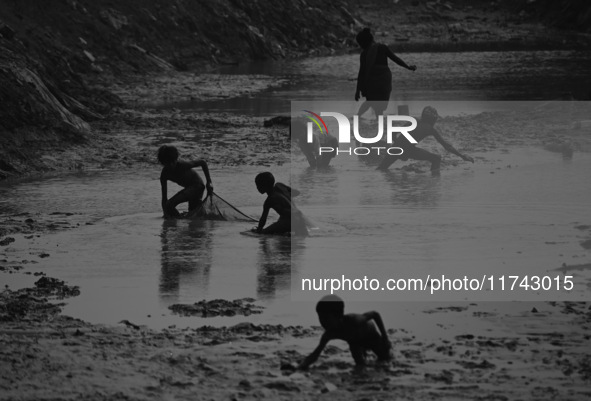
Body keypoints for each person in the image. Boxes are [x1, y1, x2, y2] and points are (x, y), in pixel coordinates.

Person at [298, 295, 392, 369]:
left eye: (326, 318)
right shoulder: (329, 334)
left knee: (385, 358)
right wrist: (303, 365)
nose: (323, 322)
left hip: (370, 336)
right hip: (354, 342)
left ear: (339, 316)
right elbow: (316, 353)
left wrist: (385, 337)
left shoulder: (354, 320)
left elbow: (375, 314)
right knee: (359, 366)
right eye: (320, 318)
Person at [377, 106, 475, 171]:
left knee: (381, 169)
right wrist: (462, 156)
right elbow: (447, 146)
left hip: (396, 148)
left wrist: (399, 146)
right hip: (409, 150)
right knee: (436, 158)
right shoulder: (430, 129)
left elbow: (393, 133)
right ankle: (434, 181)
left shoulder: (413, 121)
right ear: (433, 119)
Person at [355, 27, 416, 119]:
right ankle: (373, 120)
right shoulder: (382, 47)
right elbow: (396, 59)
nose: (360, 46)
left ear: (364, 42)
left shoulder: (364, 54)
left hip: (373, 81)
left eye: (360, 44)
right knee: (378, 103)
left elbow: (361, 73)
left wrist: (358, 90)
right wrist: (407, 67)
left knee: (371, 101)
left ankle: (361, 117)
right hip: (384, 80)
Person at [158, 145, 213, 218]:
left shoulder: (182, 165)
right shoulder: (164, 174)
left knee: (170, 205)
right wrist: (165, 213)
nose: (171, 165)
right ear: (163, 163)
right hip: (190, 189)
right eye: (167, 164)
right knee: (194, 214)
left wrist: (208, 182)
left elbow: (202, 162)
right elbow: (164, 198)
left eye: (173, 162)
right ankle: (179, 219)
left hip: (197, 186)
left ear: (176, 159)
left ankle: (178, 219)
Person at [253, 172, 308, 236]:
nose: (257, 188)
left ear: (264, 186)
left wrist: (259, 230)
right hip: (300, 218)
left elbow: (263, 219)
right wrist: (286, 196)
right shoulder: (280, 185)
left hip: (289, 221)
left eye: (258, 185)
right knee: (282, 220)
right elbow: (297, 192)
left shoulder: (269, 201)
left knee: (264, 233)